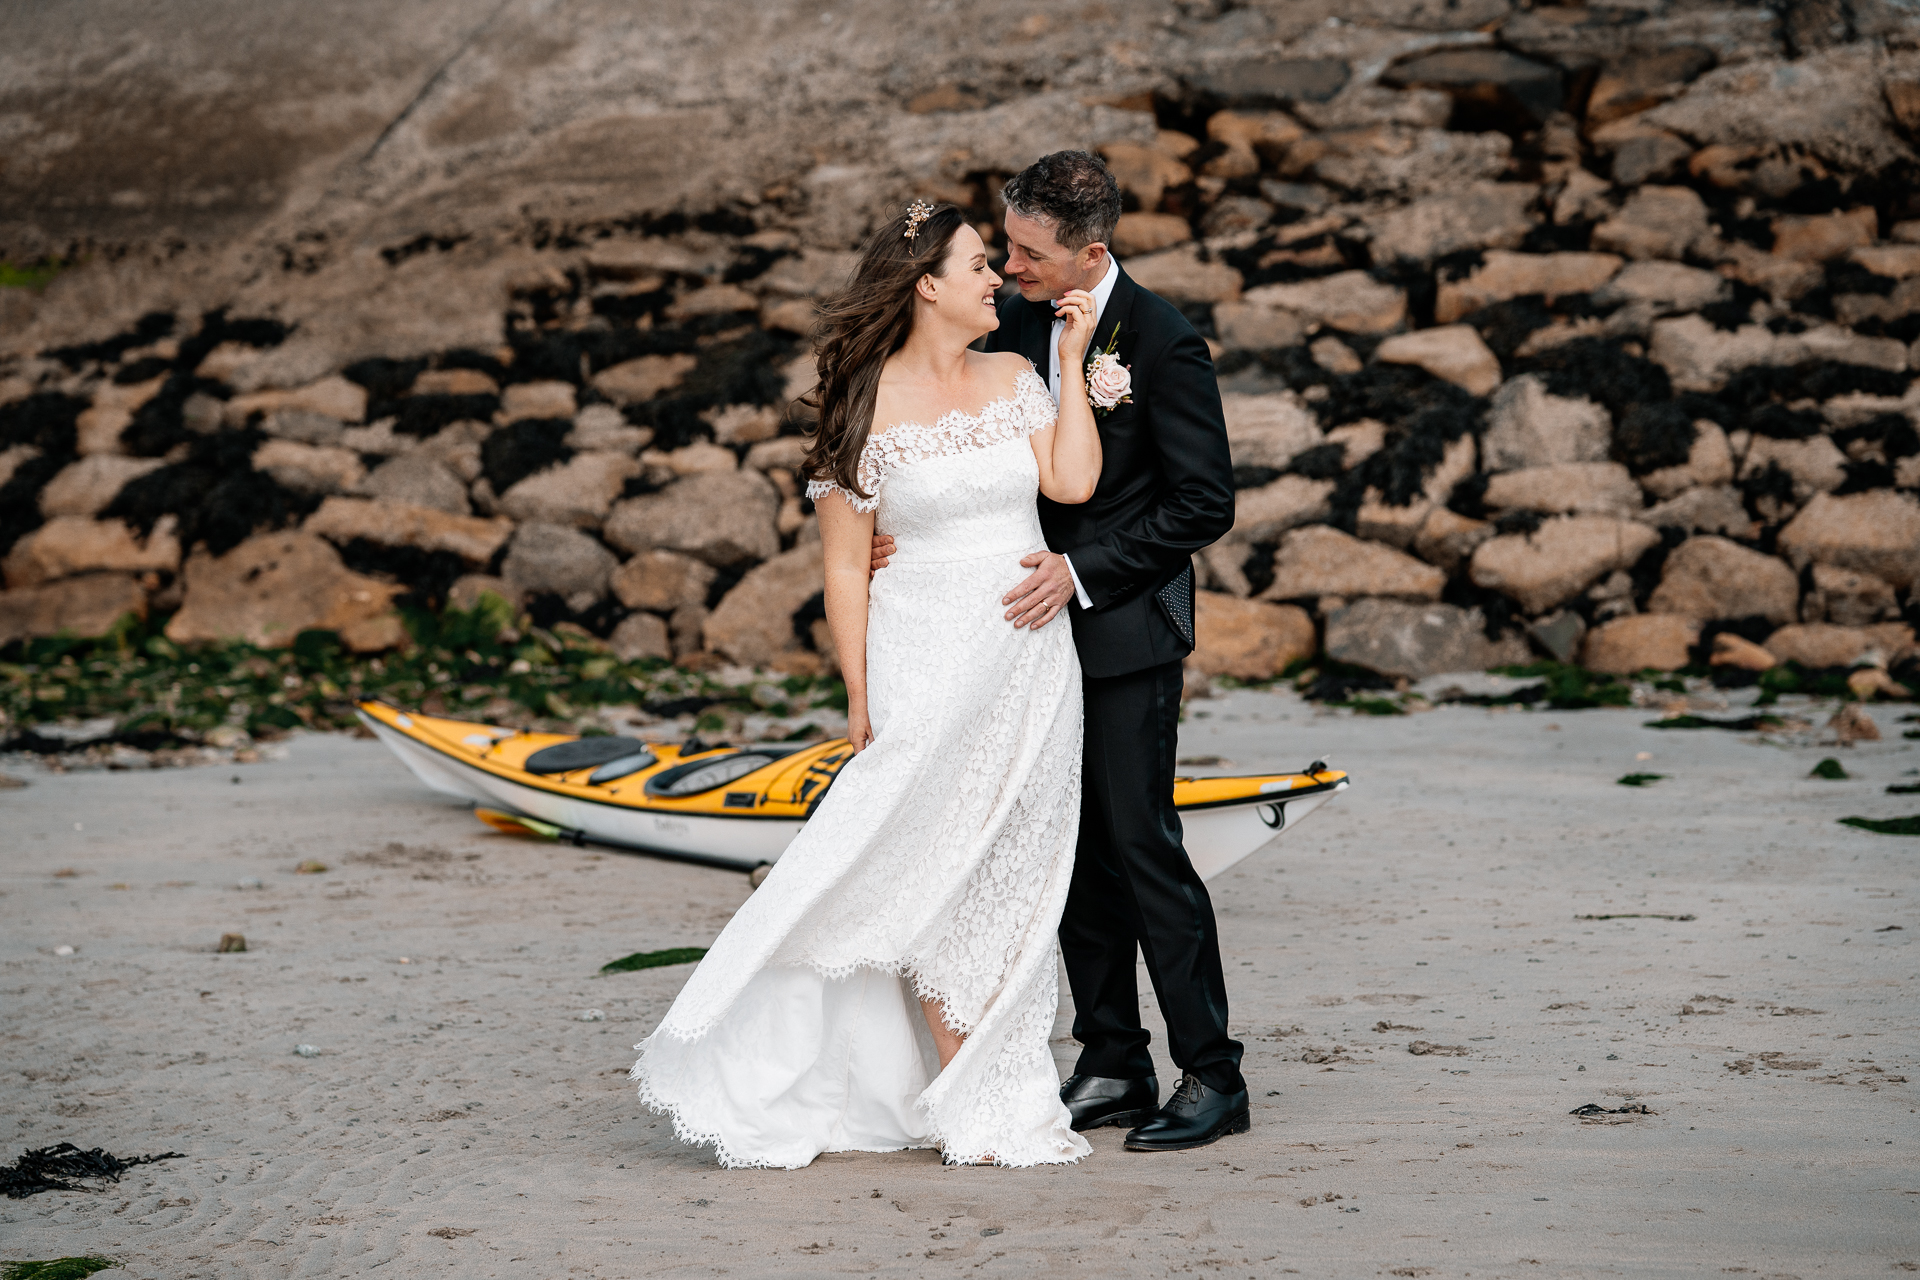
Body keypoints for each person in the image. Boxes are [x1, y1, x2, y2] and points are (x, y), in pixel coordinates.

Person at [630, 199, 1105, 1169]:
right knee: (919, 860)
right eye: (980, 263)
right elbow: (846, 566)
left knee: (1013, 866)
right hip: (920, 653)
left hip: (1028, 662)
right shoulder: (863, 402)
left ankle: (990, 1078)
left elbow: (1071, 486)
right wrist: (858, 690)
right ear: (927, 282)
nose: (996, 279)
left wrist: (1074, 365)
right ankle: (967, 1084)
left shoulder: (1019, 374)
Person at [872, 151, 1244, 1152]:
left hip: (1121, 633)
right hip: (1017, 644)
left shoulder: (1163, 342)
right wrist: (896, 523)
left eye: (1029, 252)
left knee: (1141, 845)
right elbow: (978, 440)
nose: (1010, 264)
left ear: (1093, 249)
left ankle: (1211, 1071)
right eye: (1004, 244)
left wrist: (1083, 574)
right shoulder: (1019, 319)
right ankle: (1112, 1056)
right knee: (1065, 853)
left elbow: (1204, 501)